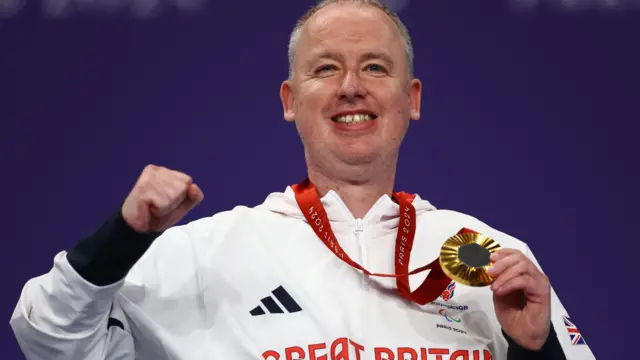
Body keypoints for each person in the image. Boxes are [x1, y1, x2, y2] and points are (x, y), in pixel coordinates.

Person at [10, 0, 596, 359]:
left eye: (374, 67)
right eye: (325, 68)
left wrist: (532, 352)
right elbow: (48, 337)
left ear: (410, 98)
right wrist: (123, 236)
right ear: (291, 100)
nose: (350, 87)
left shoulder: (490, 259)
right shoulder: (202, 255)